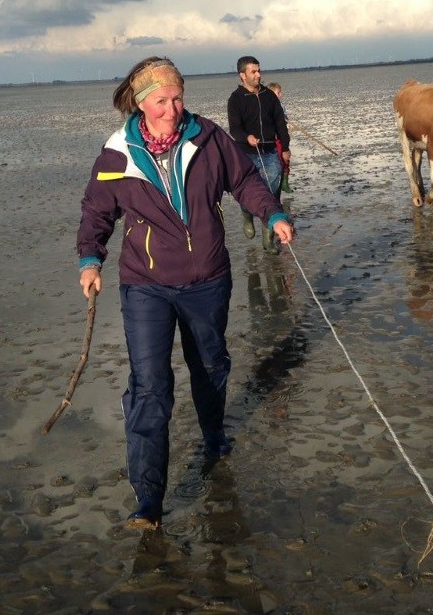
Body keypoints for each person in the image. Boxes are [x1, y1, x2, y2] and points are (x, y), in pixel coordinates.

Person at [76, 56, 295, 530]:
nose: (174, 108)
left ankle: (214, 433)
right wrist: (90, 258)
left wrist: (271, 213)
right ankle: (149, 502)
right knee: (151, 387)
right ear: (141, 103)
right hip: (145, 287)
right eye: (162, 100)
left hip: (207, 279)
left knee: (211, 365)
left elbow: (244, 181)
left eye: (178, 97)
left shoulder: (209, 138)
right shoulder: (117, 154)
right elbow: (96, 211)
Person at [227, 56, 291, 252]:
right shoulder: (236, 99)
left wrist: (286, 148)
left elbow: (280, 123)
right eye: (253, 72)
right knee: (249, 191)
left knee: (271, 192)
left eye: (259, 70)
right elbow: (235, 129)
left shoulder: (269, 96)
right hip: (246, 153)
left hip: (270, 152)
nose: (258, 75)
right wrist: (247, 137)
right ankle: (246, 215)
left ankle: (267, 237)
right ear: (242, 75)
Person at [266, 82, 293, 194]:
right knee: (278, 160)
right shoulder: (268, 106)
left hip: (282, 137)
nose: (280, 95)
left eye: (280, 92)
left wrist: (285, 121)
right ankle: (277, 184)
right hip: (274, 139)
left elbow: (284, 119)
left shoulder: (281, 105)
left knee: (286, 159)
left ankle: (284, 182)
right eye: (278, 93)